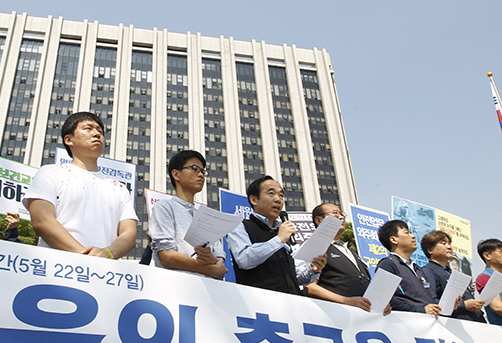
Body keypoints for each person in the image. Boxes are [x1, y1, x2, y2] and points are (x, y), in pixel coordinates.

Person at [22, 112, 137, 259]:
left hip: (105, 273)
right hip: (55, 268)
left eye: (100, 131)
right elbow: (42, 220)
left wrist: (107, 254)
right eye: (88, 129)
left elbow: (129, 234)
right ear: (69, 140)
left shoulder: (119, 188)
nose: (96, 134)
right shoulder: (50, 173)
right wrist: (83, 256)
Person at [227, 175, 325, 295]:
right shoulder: (240, 226)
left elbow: (296, 277)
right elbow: (244, 259)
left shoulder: (284, 231)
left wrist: (313, 270)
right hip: (259, 303)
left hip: (293, 303)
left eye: (281, 195)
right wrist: (278, 239)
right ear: (254, 200)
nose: (278, 199)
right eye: (271, 193)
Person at [148, 150, 227, 280]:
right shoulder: (164, 207)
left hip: (211, 290)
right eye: (195, 169)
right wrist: (208, 269)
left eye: (203, 171)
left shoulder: (205, 215)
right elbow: (167, 256)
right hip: (178, 286)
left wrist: (211, 259)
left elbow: (219, 257)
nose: (201, 175)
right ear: (176, 174)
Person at [305, 203, 390, 314]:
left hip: (364, 318)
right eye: (335, 213)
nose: (341, 217)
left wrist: (380, 302)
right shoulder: (315, 247)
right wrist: (345, 300)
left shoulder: (352, 252)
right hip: (337, 316)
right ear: (319, 220)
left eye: (341, 213)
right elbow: (309, 287)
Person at [377, 220, 442, 315]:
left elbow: (428, 299)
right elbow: (385, 298)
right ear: (394, 240)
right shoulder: (388, 264)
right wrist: (421, 310)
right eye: (407, 233)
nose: (413, 236)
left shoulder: (418, 268)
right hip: (407, 323)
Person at [421, 230, 485, 322]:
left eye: (449, 243)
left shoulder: (453, 273)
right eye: (443, 243)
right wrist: (464, 306)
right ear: (430, 250)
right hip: (454, 326)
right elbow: (432, 302)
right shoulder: (427, 271)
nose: (449, 247)